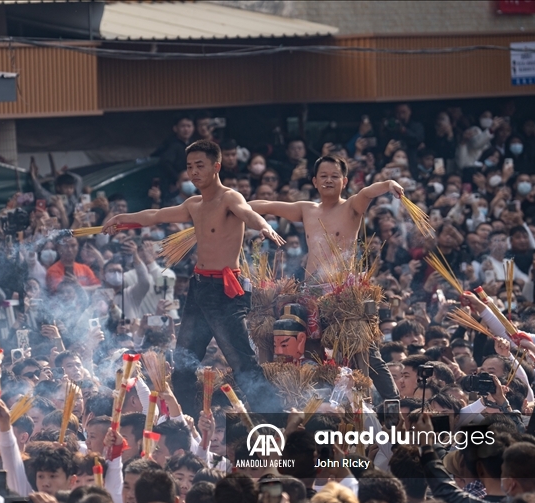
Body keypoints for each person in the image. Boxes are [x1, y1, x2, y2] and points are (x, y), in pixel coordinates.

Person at [105, 140, 285, 413]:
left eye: (200, 165)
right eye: (190, 167)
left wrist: (263, 226)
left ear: (216, 166)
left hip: (224, 291)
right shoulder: (194, 204)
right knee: (184, 361)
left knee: (241, 362)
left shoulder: (230, 197)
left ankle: (274, 416)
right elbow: (156, 215)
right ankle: (184, 419)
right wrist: (123, 218)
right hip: (199, 286)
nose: (193, 172)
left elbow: (248, 213)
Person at [250, 155, 403, 287]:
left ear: (344, 182)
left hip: (341, 289)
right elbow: (267, 206)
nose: (329, 180)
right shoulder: (307, 209)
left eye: (335, 176)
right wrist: (235, 207)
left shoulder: (351, 207)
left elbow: (367, 192)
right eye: (324, 176)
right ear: (315, 182)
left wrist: (388, 184)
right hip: (310, 288)